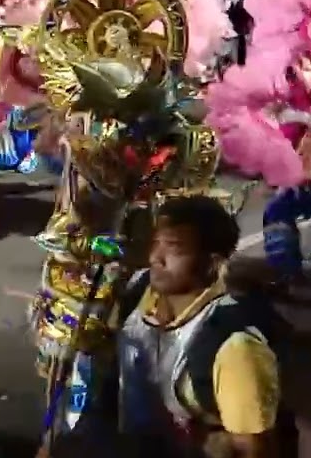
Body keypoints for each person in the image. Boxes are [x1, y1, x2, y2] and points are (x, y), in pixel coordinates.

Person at [116, 194, 291, 458]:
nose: (155, 257)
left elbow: (253, 450)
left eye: (174, 248)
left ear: (213, 263)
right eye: (156, 243)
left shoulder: (235, 349)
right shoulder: (138, 288)